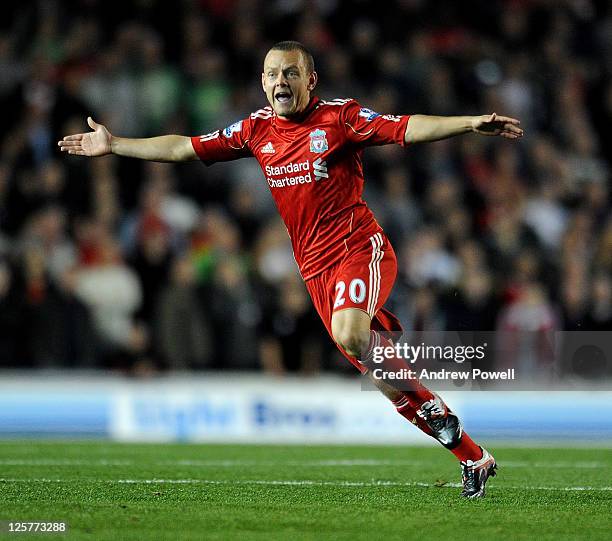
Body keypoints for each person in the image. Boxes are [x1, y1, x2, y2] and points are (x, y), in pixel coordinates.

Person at [58, 40, 523, 498]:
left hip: (359, 248)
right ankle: (473, 456)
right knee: (385, 379)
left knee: (351, 334)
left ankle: (430, 399)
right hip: (316, 272)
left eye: (291, 72)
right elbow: (183, 148)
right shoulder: (255, 131)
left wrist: (467, 124)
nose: (282, 81)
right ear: (262, 83)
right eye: (273, 74)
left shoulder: (340, 118)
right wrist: (115, 144)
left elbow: (406, 127)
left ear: (311, 80)